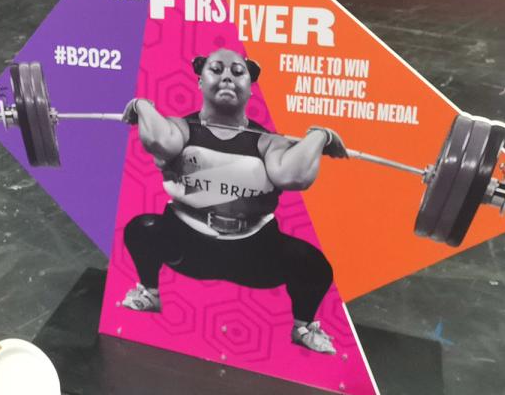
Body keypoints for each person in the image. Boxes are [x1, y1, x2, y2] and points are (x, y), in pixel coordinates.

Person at [120, 49, 347, 354]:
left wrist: (320, 136)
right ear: (200, 82)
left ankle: (303, 327)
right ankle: (149, 293)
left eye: (238, 72)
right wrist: (142, 105)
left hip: (253, 256)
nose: (227, 76)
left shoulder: (268, 141)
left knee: (314, 266)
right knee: (141, 228)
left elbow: (294, 177)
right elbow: (159, 140)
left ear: (250, 88)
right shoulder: (181, 127)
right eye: (217, 69)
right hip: (188, 249)